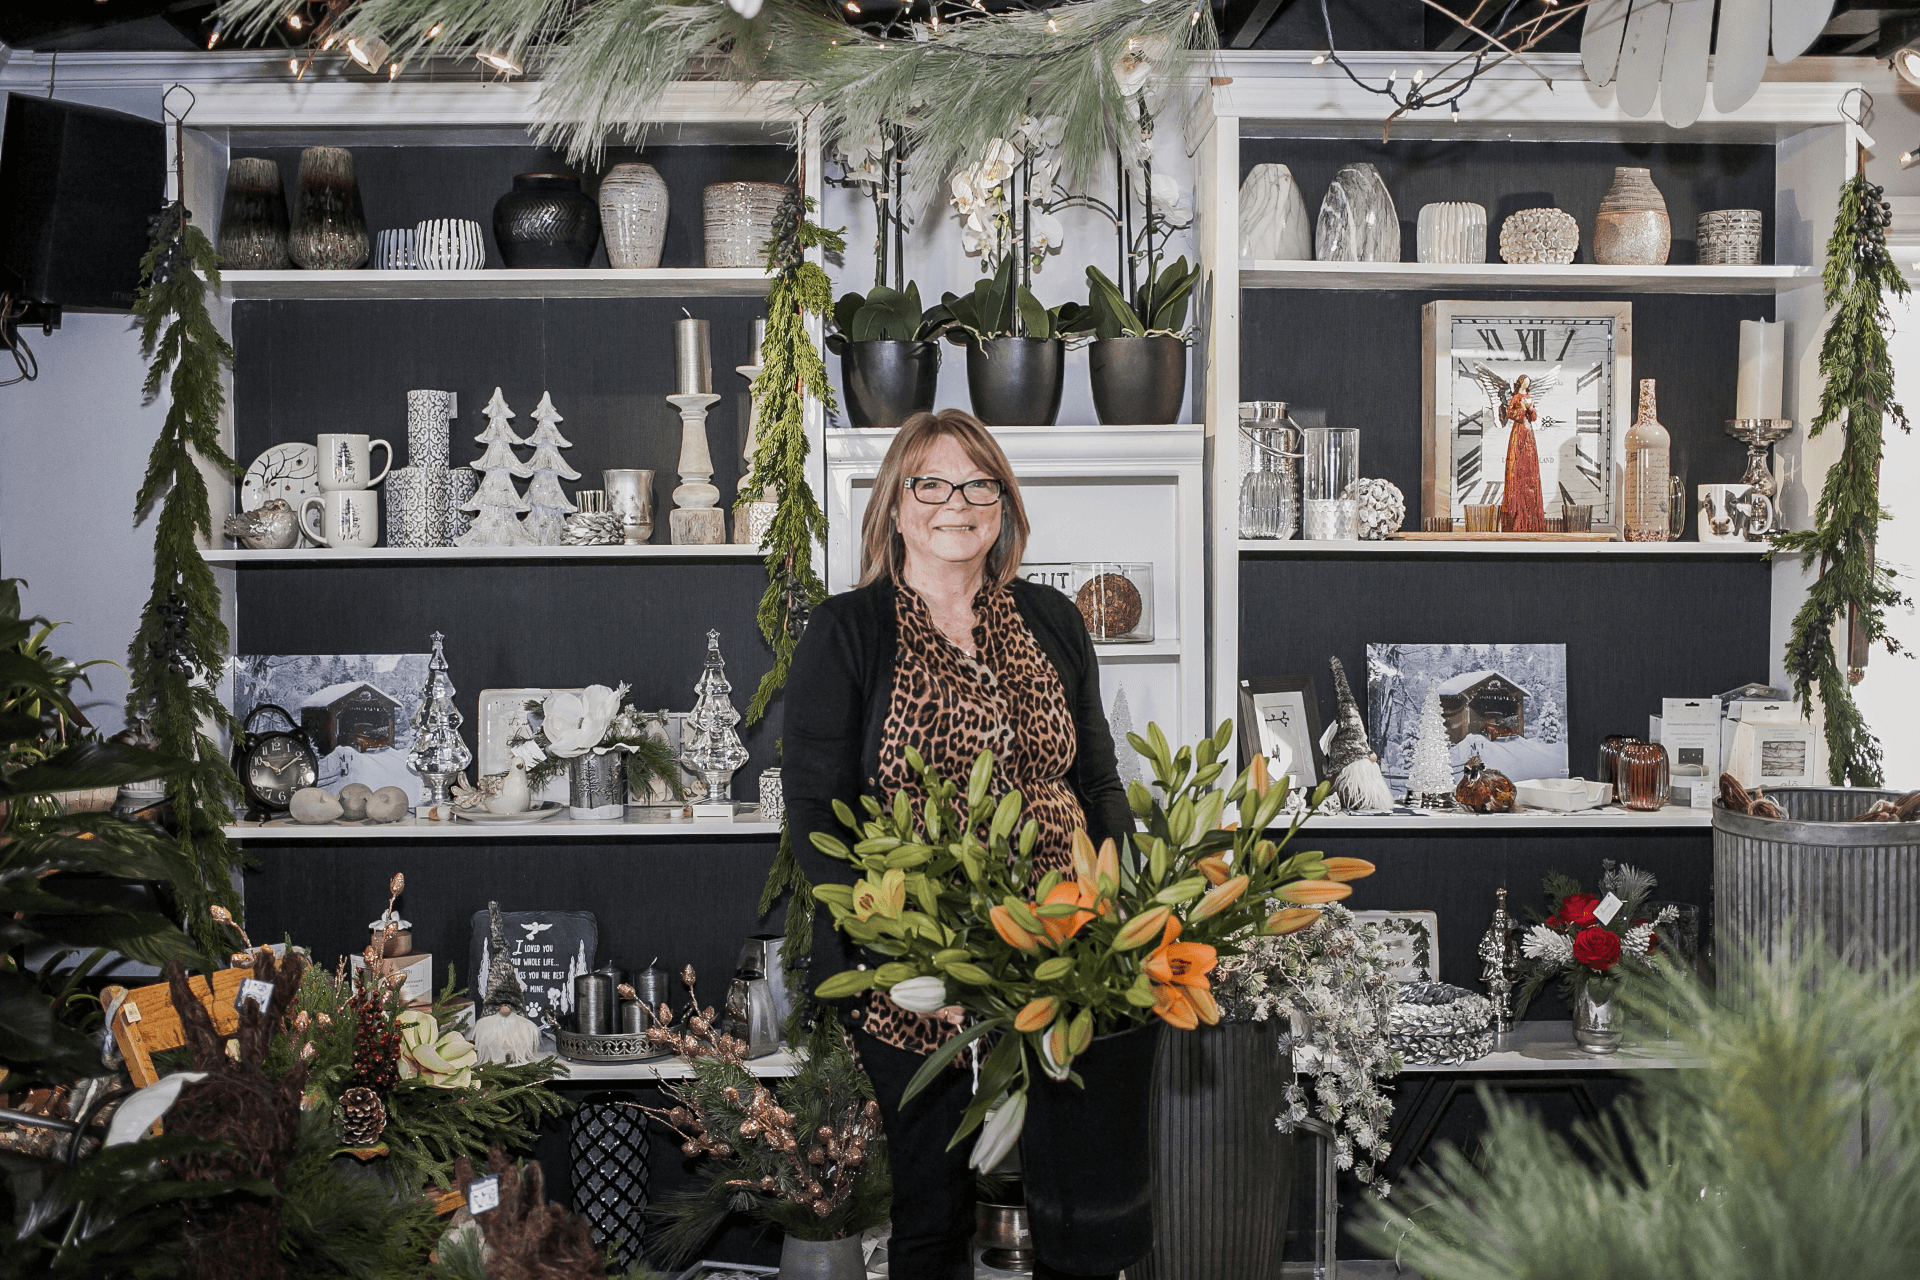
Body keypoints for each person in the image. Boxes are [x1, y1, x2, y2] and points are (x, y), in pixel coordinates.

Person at [785, 409, 1131, 1280]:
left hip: (1063, 950)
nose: (957, 502)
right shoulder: (849, 630)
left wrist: (1122, 911)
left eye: (980, 484)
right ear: (897, 507)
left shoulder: (1053, 619)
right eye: (932, 483)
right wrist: (887, 948)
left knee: (1077, 1206)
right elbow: (818, 814)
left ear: (1003, 506)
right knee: (932, 1211)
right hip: (918, 962)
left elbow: (1097, 780)